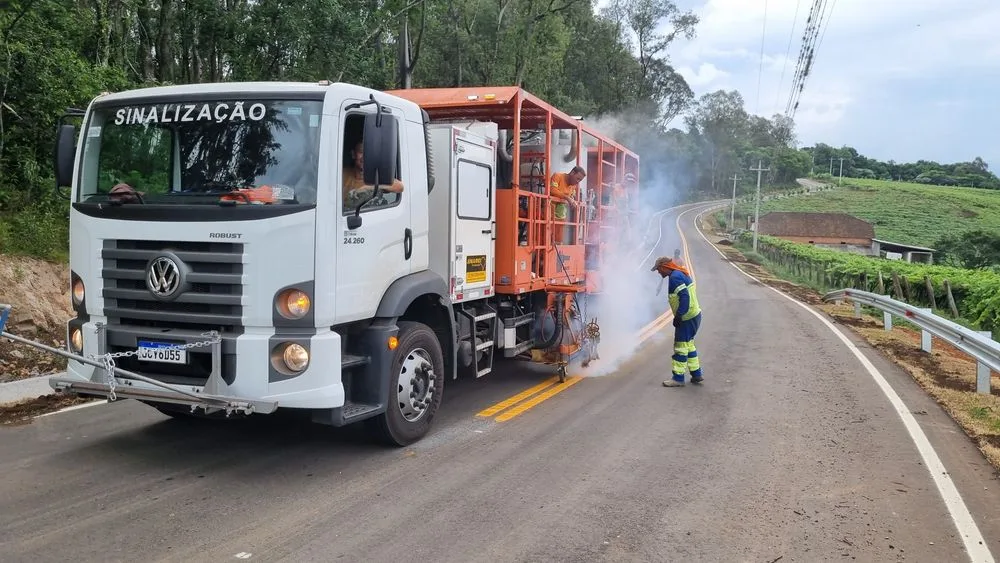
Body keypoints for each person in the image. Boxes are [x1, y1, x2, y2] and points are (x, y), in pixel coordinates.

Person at [650, 256, 703, 387]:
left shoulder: (675, 278)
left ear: (664, 267)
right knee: (689, 345)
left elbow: (684, 296)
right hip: (694, 315)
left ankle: (678, 378)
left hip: (686, 318)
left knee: (680, 348)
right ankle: (696, 374)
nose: (658, 272)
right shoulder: (679, 274)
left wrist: (679, 316)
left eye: (658, 269)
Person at [343, 138, 404, 211]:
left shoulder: (375, 177)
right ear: (353, 154)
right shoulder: (343, 173)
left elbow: (399, 186)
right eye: (361, 151)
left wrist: (368, 188)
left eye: (369, 153)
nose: (365, 156)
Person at [549, 166, 585, 244]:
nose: (578, 181)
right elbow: (552, 190)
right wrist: (567, 198)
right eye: (578, 178)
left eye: (580, 180)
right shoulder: (557, 176)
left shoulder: (573, 186)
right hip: (548, 215)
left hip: (560, 217)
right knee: (547, 238)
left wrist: (573, 201)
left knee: (558, 241)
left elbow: (572, 196)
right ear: (572, 173)